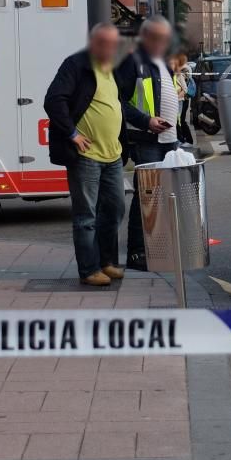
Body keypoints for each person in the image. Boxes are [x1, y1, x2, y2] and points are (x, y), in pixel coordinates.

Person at [44, 23, 126, 286]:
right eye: (106, 43)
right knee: (86, 216)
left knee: (113, 210)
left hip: (112, 154)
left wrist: (146, 121)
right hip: (87, 155)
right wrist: (72, 134)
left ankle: (107, 262)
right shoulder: (76, 65)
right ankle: (89, 270)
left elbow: (116, 104)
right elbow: (53, 100)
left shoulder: (110, 69)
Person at [115, 16, 179, 271]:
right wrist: (146, 121)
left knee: (165, 197)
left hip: (168, 139)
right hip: (147, 139)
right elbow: (118, 101)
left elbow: (168, 96)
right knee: (147, 196)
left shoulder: (163, 63)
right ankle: (137, 252)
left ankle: (158, 247)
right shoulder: (133, 62)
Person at [173, 52, 195, 145]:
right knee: (179, 121)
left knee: (180, 121)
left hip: (180, 101)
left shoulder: (181, 73)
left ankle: (185, 140)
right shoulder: (175, 73)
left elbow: (185, 89)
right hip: (178, 101)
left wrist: (177, 96)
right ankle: (183, 139)